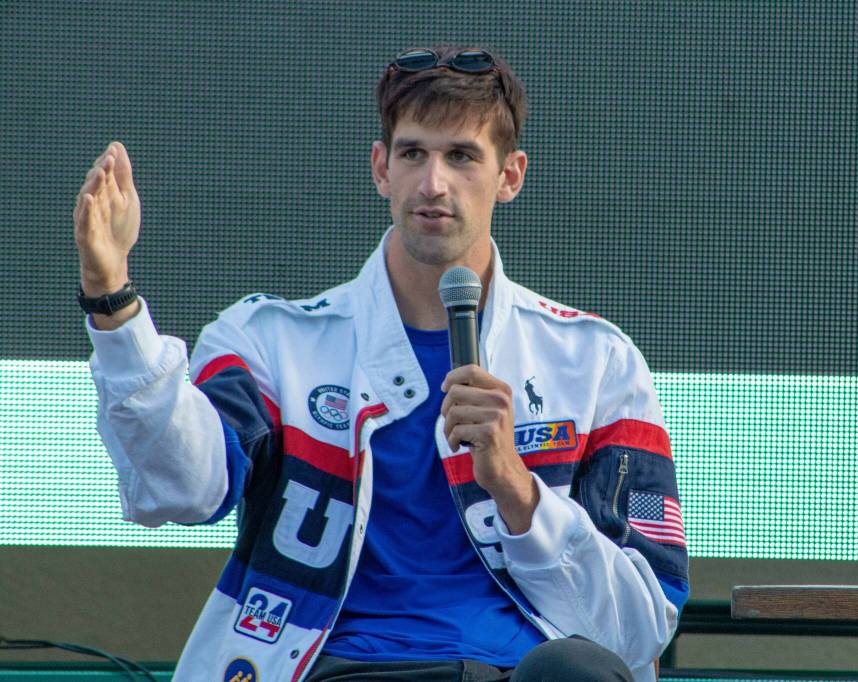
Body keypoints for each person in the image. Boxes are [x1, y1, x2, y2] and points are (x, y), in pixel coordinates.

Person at [74, 45, 689, 682]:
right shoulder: (272, 340)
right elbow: (178, 492)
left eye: (462, 156)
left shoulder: (594, 359)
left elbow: (640, 624)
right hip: (333, 671)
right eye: (413, 153)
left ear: (510, 176)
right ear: (380, 168)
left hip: (516, 673)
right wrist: (115, 306)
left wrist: (516, 487)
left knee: (576, 672)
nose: (433, 184)